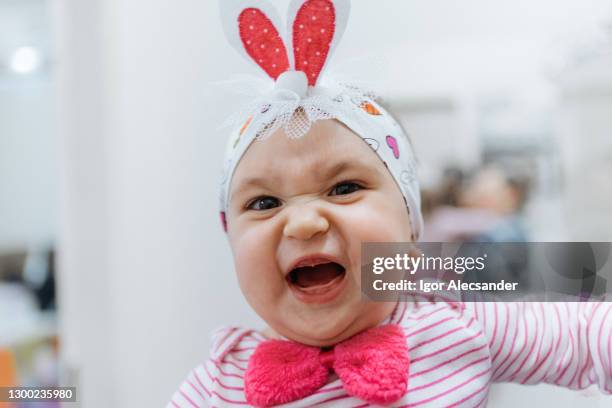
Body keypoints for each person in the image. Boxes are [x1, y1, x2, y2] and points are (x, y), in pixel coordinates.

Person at [169, 1, 612, 406]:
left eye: (343, 188)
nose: (303, 222)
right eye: (264, 201)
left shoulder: (458, 324)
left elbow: (589, 337)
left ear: (411, 225)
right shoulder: (217, 386)